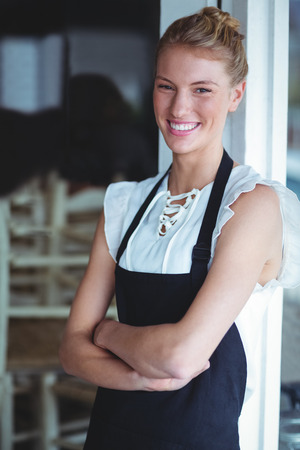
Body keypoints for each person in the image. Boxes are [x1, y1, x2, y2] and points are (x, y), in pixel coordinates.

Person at [59, 6, 300, 449]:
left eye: (202, 89)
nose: (179, 107)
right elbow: (72, 352)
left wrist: (108, 333)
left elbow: (181, 356)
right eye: (165, 86)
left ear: (236, 95)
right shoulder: (124, 204)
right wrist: (140, 378)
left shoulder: (251, 206)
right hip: (110, 435)